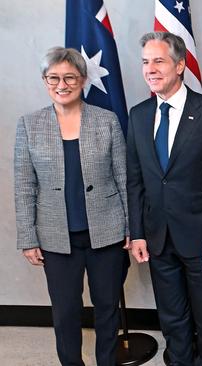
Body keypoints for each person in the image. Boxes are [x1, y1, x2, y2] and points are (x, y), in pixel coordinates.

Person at [14, 47, 129, 366]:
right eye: (54, 78)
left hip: (106, 233)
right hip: (55, 238)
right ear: (44, 80)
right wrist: (28, 237)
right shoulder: (29, 125)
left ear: (82, 79)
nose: (61, 84)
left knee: (107, 308)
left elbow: (123, 176)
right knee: (65, 312)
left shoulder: (106, 120)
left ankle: (107, 361)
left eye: (70, 77)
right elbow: (24, 185)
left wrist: (132, 228)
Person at [127, 32, 202, 366]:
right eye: (146, 62)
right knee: (171, 312)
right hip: (157, 234)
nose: (150, 69)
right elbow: (135, 180)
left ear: (181, 65)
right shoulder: (139, 114)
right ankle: (179, 360)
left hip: (201, 236)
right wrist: (139, 231)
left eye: (159, 61)